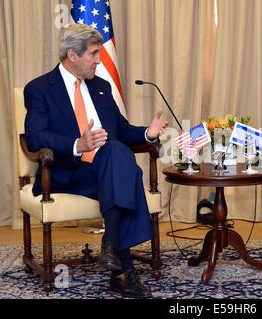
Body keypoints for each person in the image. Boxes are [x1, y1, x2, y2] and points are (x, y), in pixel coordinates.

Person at [24, 24, 167, 298]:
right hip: (68, 173)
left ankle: (113, 246)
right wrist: (77, 144)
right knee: (127, 173)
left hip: (106, 169)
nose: (99, 60)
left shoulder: (101, 87)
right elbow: (34, 138)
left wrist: (147, 134)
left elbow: (122, 130)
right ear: (72, 55)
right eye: (93, 54)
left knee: (115, 152)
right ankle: (122, 268)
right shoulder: (40, 89)